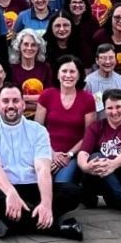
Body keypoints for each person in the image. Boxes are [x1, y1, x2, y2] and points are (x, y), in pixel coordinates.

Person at [0, 84, 83, 240]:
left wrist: (46, 203)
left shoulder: (38, 130)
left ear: (23, 104)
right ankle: (56, 227)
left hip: (32, 187)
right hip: (2, 189)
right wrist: (11, 193)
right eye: (5, 101)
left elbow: (42, 169)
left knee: (73, 192)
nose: (11, 105)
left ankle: (10, 222)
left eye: (15, 101)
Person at [76, 88, 121, 217]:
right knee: (96, 157)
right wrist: (85, 167)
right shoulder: (96, 127)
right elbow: (83, 153)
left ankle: (115, 197)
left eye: (118, 107)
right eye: (110, 108)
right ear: (104, 109)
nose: (114, 112)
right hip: (97, 178)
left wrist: (112, 165)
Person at [35, 55, 97, 183]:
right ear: (57, 75)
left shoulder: (88, 99)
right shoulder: (47, 95)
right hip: (47, 152)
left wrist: (68, 155)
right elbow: (37, 130)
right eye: (64, 71)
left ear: (79, 75)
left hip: (72, 156)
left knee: (62, 185)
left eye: (72, 71)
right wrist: (52, 153)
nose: (68, 75)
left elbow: (89, 135)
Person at [8, 29, 51, 116]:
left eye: (33, 45)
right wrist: (38, 101)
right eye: (26, 44)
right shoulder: (11, 69)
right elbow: (11, 98)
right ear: (19, 47)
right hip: (17, 116)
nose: (29, 48)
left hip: (42, 116)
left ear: (38, 48)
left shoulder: (45, 68)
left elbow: (49, 97)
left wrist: (24, 98)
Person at [84, 43, 121, 118]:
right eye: (104, 58)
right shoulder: (89, 81)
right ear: (97, 60)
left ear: (115, 60)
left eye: (111, 58)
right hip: (95, 127)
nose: (108, 62)